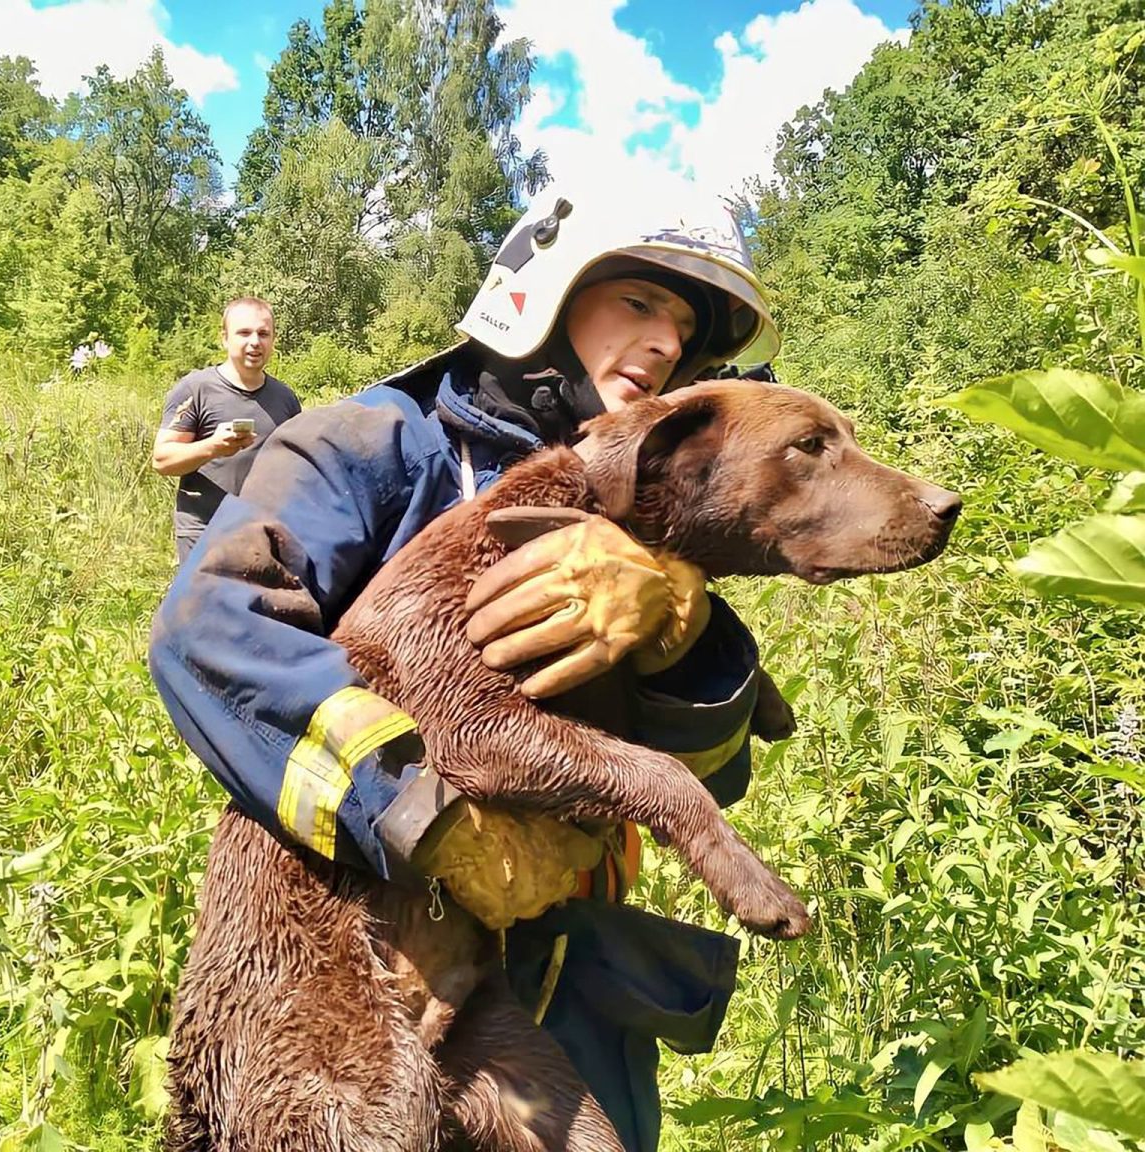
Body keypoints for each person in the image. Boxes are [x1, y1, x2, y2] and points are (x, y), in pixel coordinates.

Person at [149, 183, 782, 1150]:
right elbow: (212, 633)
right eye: (639, 303)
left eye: (686, 326)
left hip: (567, 967)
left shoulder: (650, 513)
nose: (664, 342)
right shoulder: (378, 443)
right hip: (345, 949)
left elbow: (719, 775)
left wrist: (678, 628)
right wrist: (421, 817)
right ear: (541, 297)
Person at [150, 297, 301, 563]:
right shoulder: (195, 390)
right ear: (225, 338)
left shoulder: (285, 399)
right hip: (203, 531)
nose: (255, 342)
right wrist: (214, 447)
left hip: (264, 534)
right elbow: (162, 460)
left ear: (273, 340)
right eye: (244, 332)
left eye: (263, 334)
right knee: (201, 606)